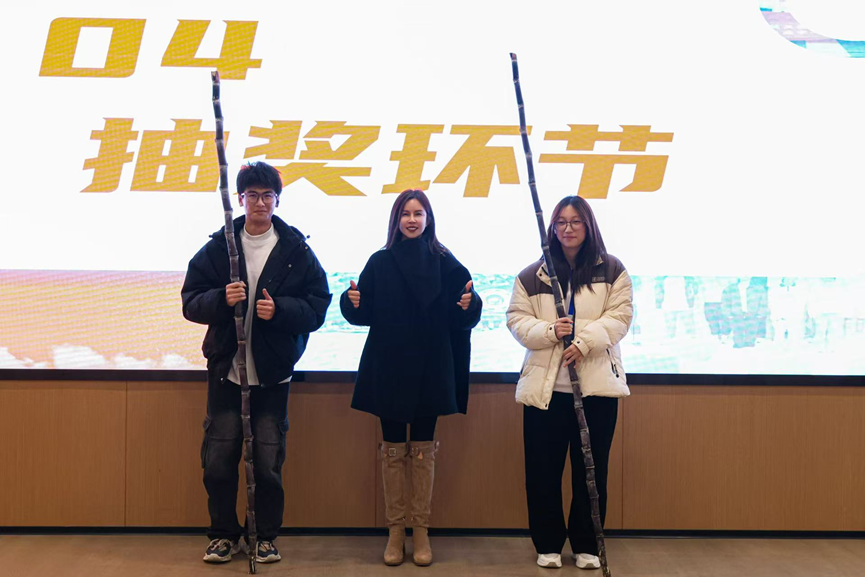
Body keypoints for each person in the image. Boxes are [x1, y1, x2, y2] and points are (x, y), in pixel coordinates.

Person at [181, 162, 332, 564]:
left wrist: (279, 310)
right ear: (240, 199)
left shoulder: (296, 249)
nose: (260, 203)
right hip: (226, 373)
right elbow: (190, 301)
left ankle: (263, 537)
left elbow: (318, 307)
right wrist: (221, 299)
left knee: (267, 463)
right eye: (252, 195)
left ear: (277, 200)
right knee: (218, 462)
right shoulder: (220, 246)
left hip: (272, 375)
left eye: (267, 195)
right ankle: (223, 535)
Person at [340, 189, 482, 566]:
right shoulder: (380, 260)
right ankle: (394, 532)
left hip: (431, 368)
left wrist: (471, 304)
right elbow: (362, 311)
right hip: (389, 367)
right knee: (392, 448)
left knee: (422, 448)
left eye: (419, 213)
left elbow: (465, 311)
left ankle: (420, 530)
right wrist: (350, 302)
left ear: (429, 219)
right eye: (406, 213)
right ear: (396, 220)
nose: (412, 220)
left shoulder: (445, 261)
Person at [506, 195, 632, 570]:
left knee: (591, 472)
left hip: (596, 390)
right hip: (545, 393)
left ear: (588, 226)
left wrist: (583, 341)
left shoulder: (612, 270)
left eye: (575, 221)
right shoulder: (533, 275)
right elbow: (516, 319)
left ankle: (587, 544)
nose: (568, 229)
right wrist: (550, 331)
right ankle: (547, 543)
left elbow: (620, 317)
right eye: (560, 222)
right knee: (542, 473)